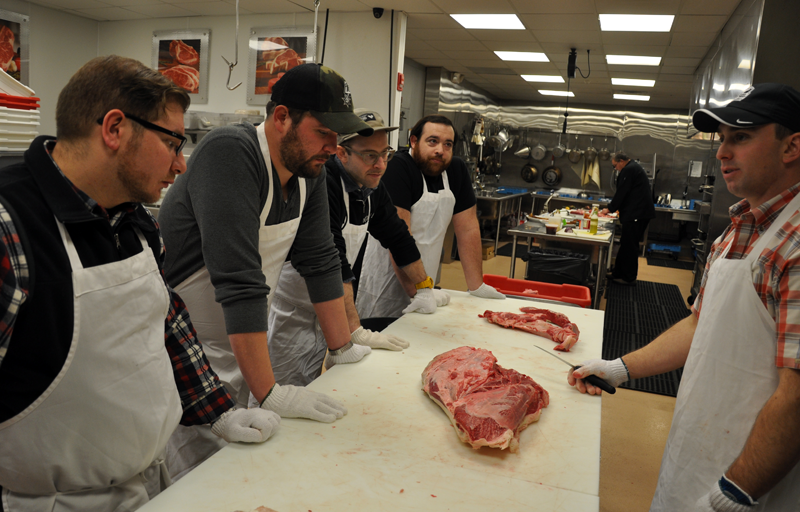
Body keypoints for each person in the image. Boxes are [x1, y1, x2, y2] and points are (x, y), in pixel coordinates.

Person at [0, 55, 279, 511]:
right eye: (173, 143)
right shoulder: (10, 226)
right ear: (114, 128)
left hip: (146, 486)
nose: (182, 165)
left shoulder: (132, 219)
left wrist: (219, 411)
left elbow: (164, 321)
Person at [569, 83, 800, 511]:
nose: (722, 153)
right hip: (696, 456)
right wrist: (620, 368)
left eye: (741, 137)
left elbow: (796, 395)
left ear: (792, 147)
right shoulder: (737, 229)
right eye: (723, 138)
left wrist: (731, 496)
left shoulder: (795, 243)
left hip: (753, 486)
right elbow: (700, 325)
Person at [158, 63, 374, 480]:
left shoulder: (310, 171)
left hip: (239, 351)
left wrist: (341, 348)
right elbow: (239, 280)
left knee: (234, 477)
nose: (333, 147)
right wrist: (270, 393)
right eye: (323, 133)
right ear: (281, 118)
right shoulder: (230, 153)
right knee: (191, 484)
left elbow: (321, 259)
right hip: (183, 362)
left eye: (337, 137)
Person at [268, 108, 450, 386]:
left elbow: (398, 236)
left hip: (330, 306)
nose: (380, 164)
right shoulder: (323, 182)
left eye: (384, 154)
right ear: (341, 153)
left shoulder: (370, 187)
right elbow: (333, 258)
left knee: (312, 383)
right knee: (283, 388)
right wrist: (355, 330)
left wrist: (424, 287)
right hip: (295, 308)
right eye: (369, 155)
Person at [355, 114, 505, 318]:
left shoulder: (456, 171)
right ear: (414, 141)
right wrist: (418, 292)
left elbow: (468, 227)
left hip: (426, 279)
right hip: (385, 281)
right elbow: (398, 237)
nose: (440, 150)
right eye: (432, 141)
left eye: (448, 144)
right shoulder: (399, 167)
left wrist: (476, 286)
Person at [601, 152, 656, 285]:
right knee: (626, 244)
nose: (615, 169)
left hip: (637, 214)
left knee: (630, 245)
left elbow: (622, 192)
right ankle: (618, 273)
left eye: (615, 166)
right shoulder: (633, 168)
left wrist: (610, 208)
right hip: (636, 213)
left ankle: (629, 278)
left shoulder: (629, 170)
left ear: (621, 161)